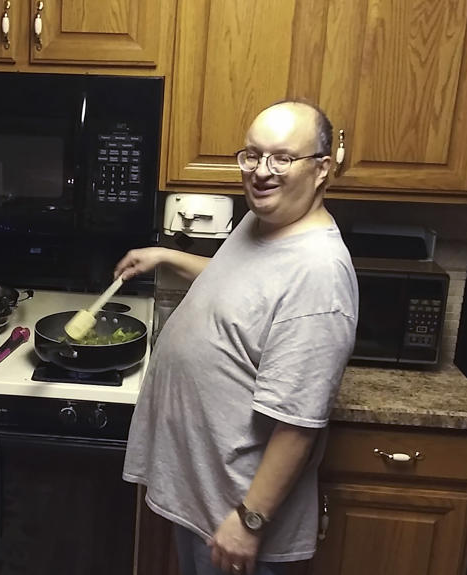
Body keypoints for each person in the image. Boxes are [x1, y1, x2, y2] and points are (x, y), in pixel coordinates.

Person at [117, 101, 358, 575]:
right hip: (204, 496)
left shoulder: (318, 275)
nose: (262, 172)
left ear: (322, 168)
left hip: (237, 516)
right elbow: (240, 286)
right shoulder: (264, 221)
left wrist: (249, 521)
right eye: (252, 155)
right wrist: (167, 256)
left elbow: (297, 424)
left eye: (283, 158)